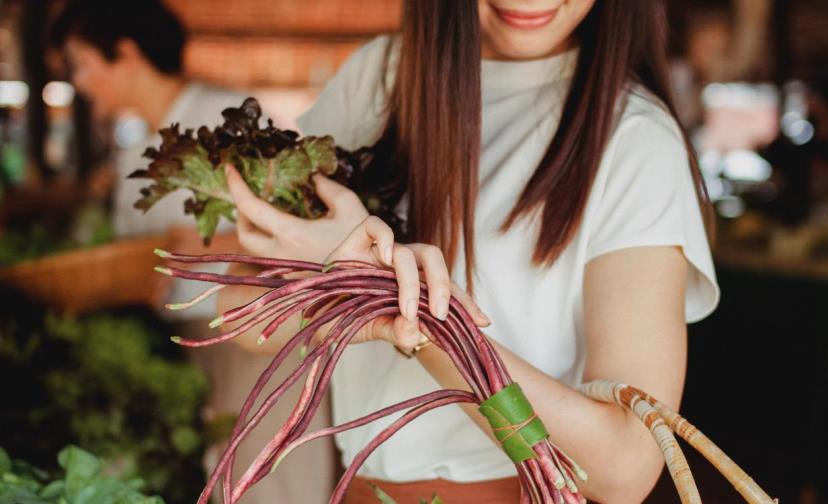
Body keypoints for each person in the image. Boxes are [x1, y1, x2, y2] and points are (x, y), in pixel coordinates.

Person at [220, 1, 720, 502]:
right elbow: (237, 312)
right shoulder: (380, 76)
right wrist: (341, 299)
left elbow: (624, 468)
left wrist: (408, 308)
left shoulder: (636, 139)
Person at [49, 2, 334, 503]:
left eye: (81, 62)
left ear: (125, 53)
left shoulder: (222, 116)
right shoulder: (138, 146)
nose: (81, 81)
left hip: (255, 337)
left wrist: (198, 248)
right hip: (184, 337)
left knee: (269, 487)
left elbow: (313, 223)